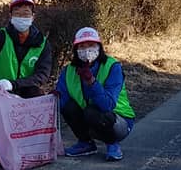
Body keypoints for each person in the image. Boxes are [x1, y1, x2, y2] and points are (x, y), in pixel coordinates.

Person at [56, 27, 135, 161]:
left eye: (91, 45)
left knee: (92, 111)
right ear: (76, 49)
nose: (87, 50)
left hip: (118, 121)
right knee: (68, 106)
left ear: (99, 47)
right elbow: (61, 100)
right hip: (90, 121)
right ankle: (85, 143)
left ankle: (112, 144)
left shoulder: (112, 67)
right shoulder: (68, 71)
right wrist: (50, 100)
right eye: (82, 46)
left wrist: (92, 82)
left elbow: (107, 105)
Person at [0, 0, 54, 98]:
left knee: (36, 93)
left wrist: (13, 84)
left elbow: (42, 75)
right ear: (11, 16)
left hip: (27, 90)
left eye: (26, 13)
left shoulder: (42, 43)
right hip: (0, 90)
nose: (21, 17)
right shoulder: (3, 37)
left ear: (33, 17)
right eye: (17, 14)